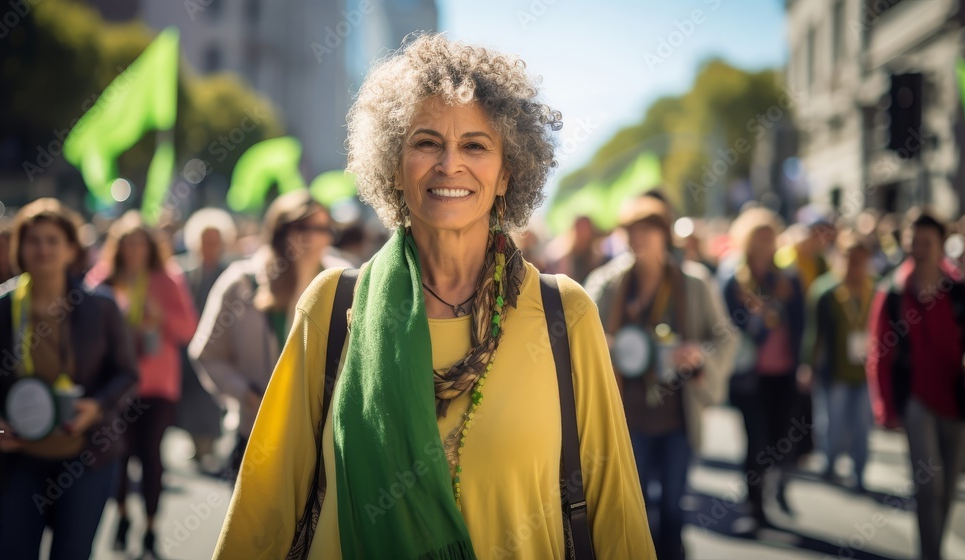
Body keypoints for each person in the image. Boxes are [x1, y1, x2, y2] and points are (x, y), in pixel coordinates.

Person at [212, 34, 655, 559]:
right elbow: (264, 507)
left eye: (475, 145)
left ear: (507, 171)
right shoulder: (331, 307)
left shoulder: (565, 313)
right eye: (426, 142)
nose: (449, 164)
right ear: (394, 168)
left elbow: (616, 516)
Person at [0, 199, 138, 560]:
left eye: (52, 240)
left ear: (71, 249)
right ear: (20, 248)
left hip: (86, 458)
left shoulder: (101, 306)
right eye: (33, 240)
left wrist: (98, 406)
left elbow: (127, 373)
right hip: (16, 461)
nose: (43, 249)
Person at [585, 195, 736, 559]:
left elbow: (725, 338)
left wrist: (699, 354)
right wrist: (603, 343)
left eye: (647, 231)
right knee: (632, 508)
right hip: (626, 416)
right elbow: (579, 337)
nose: (638, 240)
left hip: (676, 417)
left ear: (664, 235)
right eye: (631, 232)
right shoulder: (607, 284)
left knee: (672, 506)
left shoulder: (695, 283)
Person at [189, 191, 347, 479]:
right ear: (280, 232)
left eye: (324, 229)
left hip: (323, 437)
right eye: (305, 228)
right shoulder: (241, 282)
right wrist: (244, 393)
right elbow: (206, 352)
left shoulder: (344, 282)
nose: (315, 238)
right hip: (256, 434)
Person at [85, 210, 198, 559]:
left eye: (140, 243)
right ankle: (121, 516)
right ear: (118, 247)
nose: (134, 250)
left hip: (157, 385)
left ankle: (150, 527)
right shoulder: (103, 279)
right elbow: (84, 324)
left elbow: (188, 330)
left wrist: (160, 317)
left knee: (150, 455)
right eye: (128, 243)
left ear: (151, 247)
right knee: (118, 455)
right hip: (115, 385)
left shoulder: (168, 280)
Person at [866, 209, 965, 560]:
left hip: (957, 399)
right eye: (914, 240)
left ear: (942, 245)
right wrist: (885, 409)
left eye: (927, 241)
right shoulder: (893, 291)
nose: (919, 248)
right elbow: (877, 352)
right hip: (915, 398)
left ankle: (933, 548)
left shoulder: (960, 290)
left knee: (948, 488)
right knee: (928, 485)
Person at [721, 207, 806, 531]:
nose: (765, 245)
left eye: (770, 238)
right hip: (749, 373)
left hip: (783, 371)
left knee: (776, 439)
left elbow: (800, 324)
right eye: (759, 238)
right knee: (755, 440)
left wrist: (803, 363)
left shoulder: (787, 278)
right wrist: (757, 318)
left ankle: (771, 494)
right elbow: (728, 327)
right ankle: (754, 508)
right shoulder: (734, 279)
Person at [801, 231, 876, 491]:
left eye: (860, 258)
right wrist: (808, 365)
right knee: (832, 422)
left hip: (866, 371)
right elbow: (814, 333)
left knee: (862, 425)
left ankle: (859, 472)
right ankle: (830, 463)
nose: (854, 264)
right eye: (849, 257)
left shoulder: (874, 288)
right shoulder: (826, 290)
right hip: (835, 370)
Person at [176, 208, 236, 472]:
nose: (209, 246)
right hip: (187, 344)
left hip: (219, 347)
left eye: (214, 240)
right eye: (205, 240)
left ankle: (209, 444)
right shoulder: (182, 271)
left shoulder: (230, 273)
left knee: (212, 395)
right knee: (190, 395)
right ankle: (195, 442)